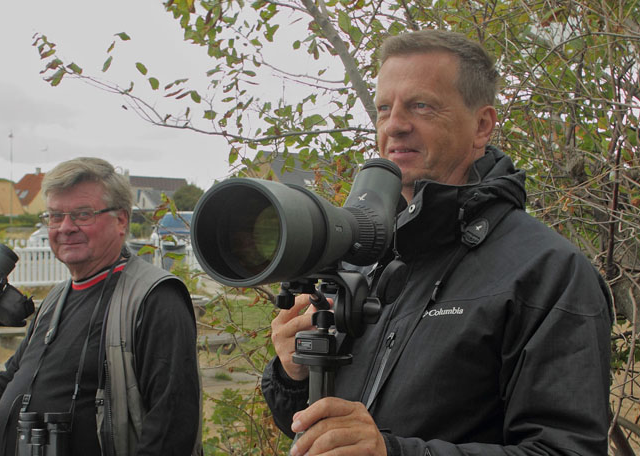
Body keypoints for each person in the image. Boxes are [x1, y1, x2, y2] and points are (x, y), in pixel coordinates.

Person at [261, 30, 613, 455]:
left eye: (421, 106)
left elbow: (566, 450)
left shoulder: (549, 271)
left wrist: (392, 453)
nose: (395, 125)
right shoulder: (364, 258)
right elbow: (312, 430)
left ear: (481, 126)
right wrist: (293, 376)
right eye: (384, 109)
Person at [0, 157, 202, 456]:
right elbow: (15, 380)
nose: (65, 228)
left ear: (121, 219)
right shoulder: (57, 298)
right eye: (55, 216)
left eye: (82, 214)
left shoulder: (153, 298)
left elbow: (172, 424)